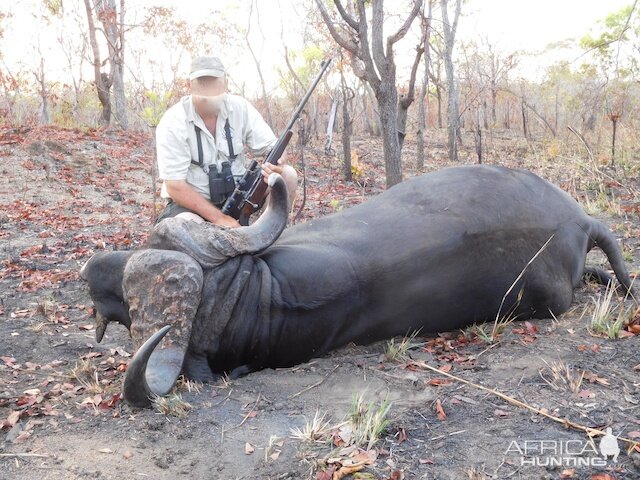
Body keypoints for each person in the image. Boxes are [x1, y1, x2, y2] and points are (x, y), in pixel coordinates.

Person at [155, 55, 298, 228]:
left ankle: (265, 234)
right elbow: (174, 186)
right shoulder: (173, 121)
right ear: (188, 85)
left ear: (225, 83)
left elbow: (273, 146)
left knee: (287, 176)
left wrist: (278, 162)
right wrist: (219, 219)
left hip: (238, 197)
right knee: (183, 226)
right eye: (202, 83)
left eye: (214, 83)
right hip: (192, 207)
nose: (208, 90)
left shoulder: (240, 108)